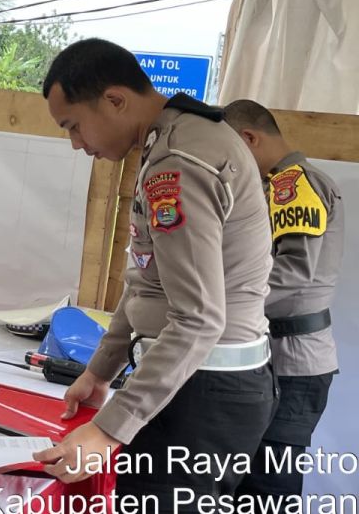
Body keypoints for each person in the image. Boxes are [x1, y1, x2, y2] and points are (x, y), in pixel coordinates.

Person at [32, 39, 276, 506]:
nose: (77, 144)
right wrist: (101, 370)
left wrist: (107, 431)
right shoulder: (173, 140)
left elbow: (199, 318)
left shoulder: (179, 161)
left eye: (74, 126)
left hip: (202, 394)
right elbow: (148, 280)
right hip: (196, 383)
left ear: (116, 100)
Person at [224, 100, 343, 502]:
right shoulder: (277, 185)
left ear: (248, 139)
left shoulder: (292, 185)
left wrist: (221, 305)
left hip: (293, 362)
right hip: (276, 355)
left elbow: (293, 274)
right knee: (248, 483)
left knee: (267, 487)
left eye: (231, 151)